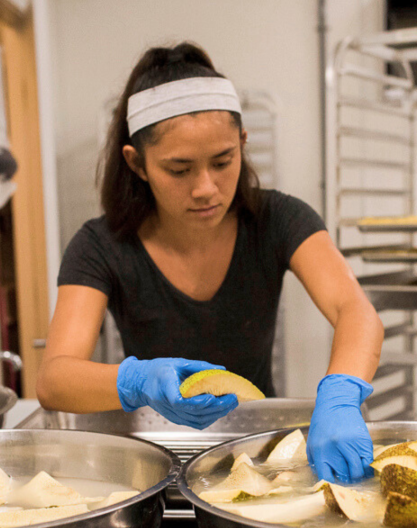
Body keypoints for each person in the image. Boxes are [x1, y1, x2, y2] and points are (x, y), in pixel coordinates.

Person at [36, 42, 384, 483]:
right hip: (151, 457)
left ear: (243, 143)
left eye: (223, 162)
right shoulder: (100, 244)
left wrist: (341, 391)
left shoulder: (279, 219)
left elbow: (354, 310)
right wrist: (137, 380)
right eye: (179, 170)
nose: (206, 188)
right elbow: (54, 380)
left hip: (258, 450)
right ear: (136, 163)